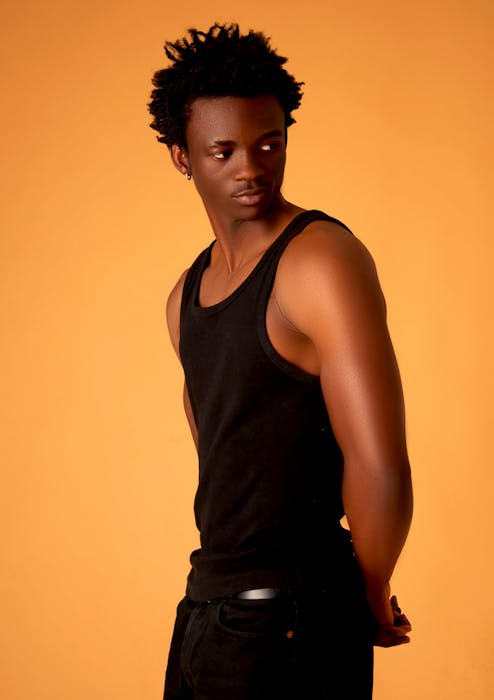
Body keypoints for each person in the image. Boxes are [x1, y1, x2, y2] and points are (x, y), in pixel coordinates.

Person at [149, 23, 413, 700]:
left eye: (270, 143)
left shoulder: (319, 261)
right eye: (224, 150)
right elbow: (228, 463)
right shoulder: (184, 300)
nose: (252, 167)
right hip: (206, 614)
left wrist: (373, 588)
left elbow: (378, 461)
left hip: (290, 616)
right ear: (182, 156)